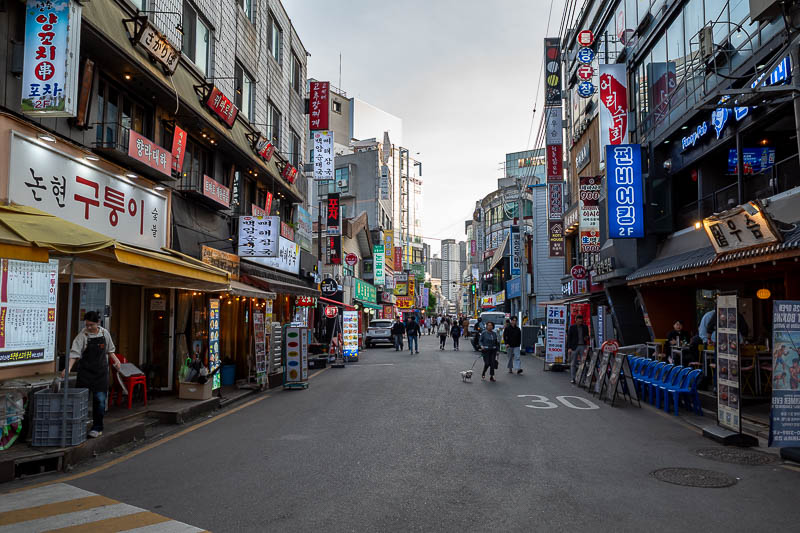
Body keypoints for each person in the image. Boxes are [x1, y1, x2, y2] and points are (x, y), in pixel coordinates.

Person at [63, 311, 121, 438]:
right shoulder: (82, 335)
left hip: (101, 373)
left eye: (91, 325)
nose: (89, 327)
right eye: (87, 325)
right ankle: (78, 427)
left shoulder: (104, 333)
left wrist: (116, 361)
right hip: (85, 373)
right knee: (81, 401)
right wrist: (68, 368)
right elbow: (74, 353)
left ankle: (97, 427)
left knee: (99, 401)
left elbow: (110, 351)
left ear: (98, 323)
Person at [567, 314, 590, 384]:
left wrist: (587, 337)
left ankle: (583, 379)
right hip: (574, 347)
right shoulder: (572, 327)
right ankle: (573, 378)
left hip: (583, 346)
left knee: (583, 363)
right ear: (576, 320)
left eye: (581, 321)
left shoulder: (585, 327)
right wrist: (569, 348)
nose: (580, 322)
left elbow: (587, 336)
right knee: (573, 363)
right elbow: (569, 338)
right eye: (579, 321)